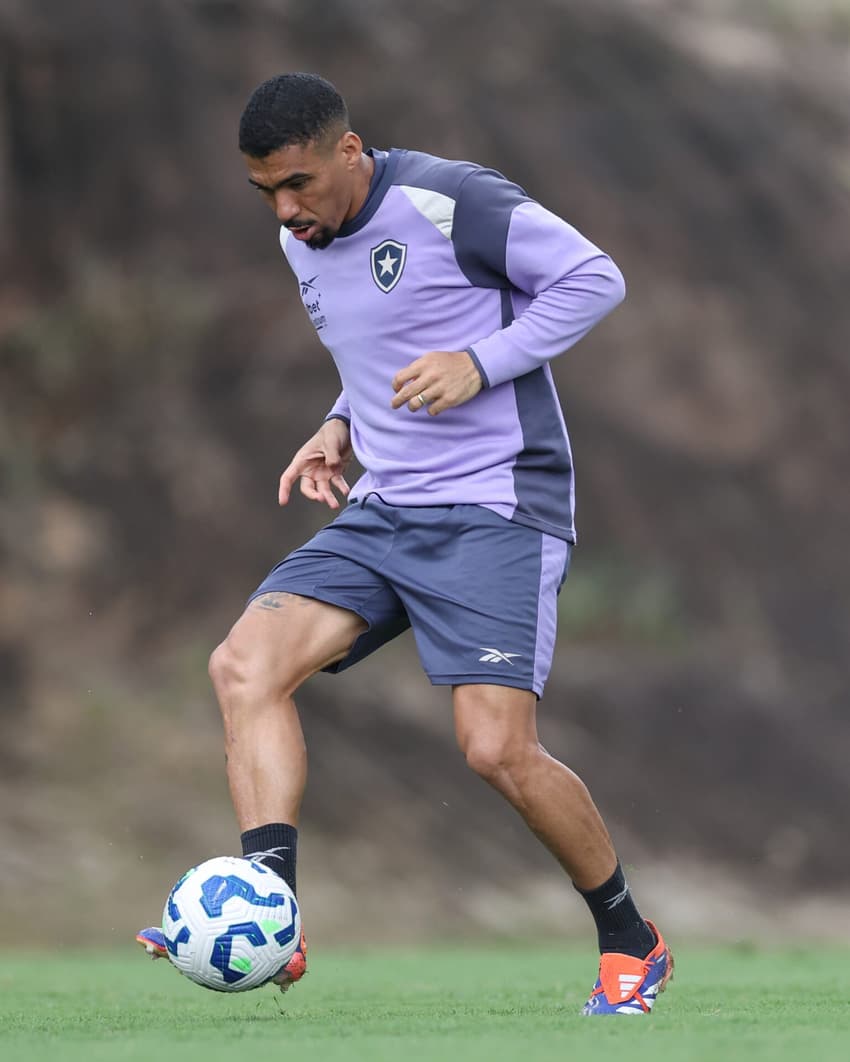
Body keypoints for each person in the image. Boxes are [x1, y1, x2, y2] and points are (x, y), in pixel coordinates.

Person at [137, 72, 672, 1016]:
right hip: (387, 507)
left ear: (350, 151)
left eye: (298, 183)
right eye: (265, 191)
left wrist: (482, 362)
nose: (286, 209)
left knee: (495, 751)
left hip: (499, 505)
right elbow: (383, 347)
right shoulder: (300, 236)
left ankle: (633, 940)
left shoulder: (452, 198)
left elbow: (596, 278)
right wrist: (338, 422)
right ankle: (274, 916)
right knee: (243, 668)